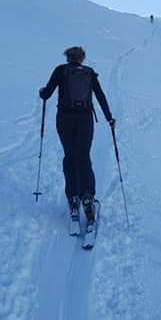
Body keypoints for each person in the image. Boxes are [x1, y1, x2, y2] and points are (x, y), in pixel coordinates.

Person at [39, 46, 114, 223]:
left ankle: (72, 198)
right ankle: (87, 197)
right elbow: (100, 96)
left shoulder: (60, 70)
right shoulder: (89, 73)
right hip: (85, 120)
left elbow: (47, 94)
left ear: (67, 57)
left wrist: (42, 92)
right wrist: (109, 118)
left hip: (64, 119)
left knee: (69, 156)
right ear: (82, 58)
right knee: (83, 157)